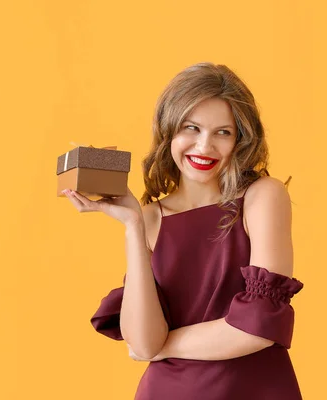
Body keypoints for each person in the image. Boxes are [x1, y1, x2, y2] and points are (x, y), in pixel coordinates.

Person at [62, 62, 304, 399]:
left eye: (223, 132)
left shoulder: (262, 196)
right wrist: (133, 226)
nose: (204, 147)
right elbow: (143, 341)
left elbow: (258, 327)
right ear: (169, 131)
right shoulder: (149, 218)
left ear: (240, 140)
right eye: (192, 128)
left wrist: (163, 348)